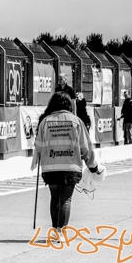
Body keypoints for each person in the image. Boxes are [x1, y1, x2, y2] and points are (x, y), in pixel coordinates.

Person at [32, 92, 98, 231]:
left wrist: (35, 163)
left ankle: (55, 230)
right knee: (66, 200)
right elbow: (85, 147)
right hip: (70, 167)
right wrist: (92, 166)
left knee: (54, 198)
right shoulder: (76, 121)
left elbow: (38, 145)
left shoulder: (45, 121)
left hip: (50, 168)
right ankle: (61, 232)